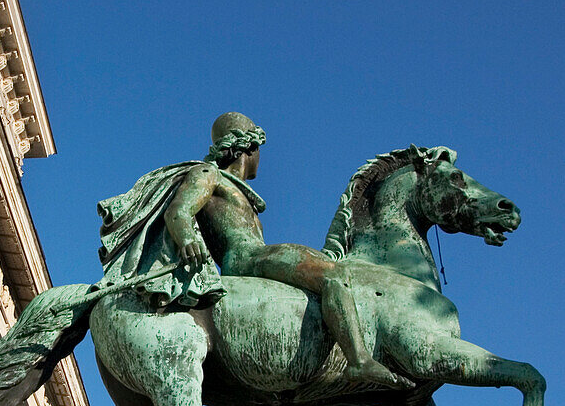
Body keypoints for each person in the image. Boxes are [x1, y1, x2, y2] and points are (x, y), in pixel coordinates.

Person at [98, 111, 408, 389]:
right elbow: (178, 212)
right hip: (248, 259)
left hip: (251, 257)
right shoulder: (209, 175)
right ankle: (359, 359)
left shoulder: (236, 189)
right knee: (333, 274)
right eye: (260, 151)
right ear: (250, 148)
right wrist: (187, 239)